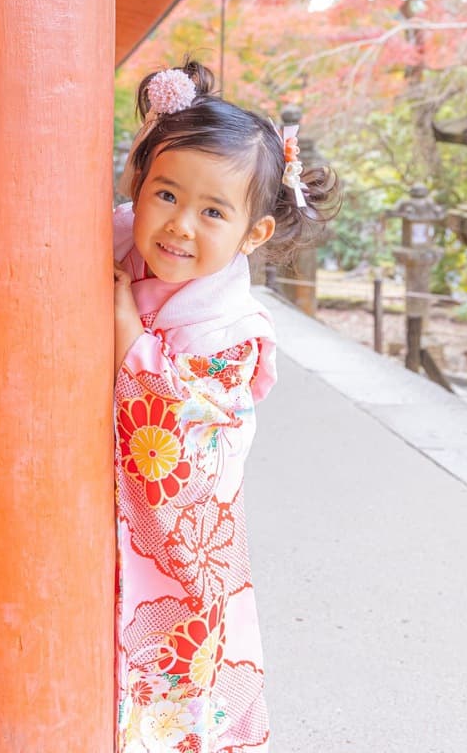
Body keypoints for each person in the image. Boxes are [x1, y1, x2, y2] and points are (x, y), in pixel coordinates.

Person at [112, 59, 338, 753]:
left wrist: (124, 333)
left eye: (213, 212)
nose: (180, 226)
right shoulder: (115, 242)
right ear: (138, 185)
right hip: (96, 520)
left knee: (160, 700)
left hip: (177, 547)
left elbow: (177, 452)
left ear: (253, 233)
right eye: (166, 195)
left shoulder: (232, 334)